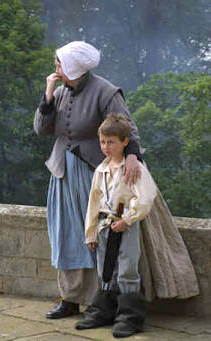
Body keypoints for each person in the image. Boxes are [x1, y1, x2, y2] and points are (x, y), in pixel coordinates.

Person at [33, 41, 143, 319]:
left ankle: (101, 301)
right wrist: (47, 95)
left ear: (73, 66)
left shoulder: (105, 91)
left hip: (95, 174)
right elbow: (41, 129)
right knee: (66, 235)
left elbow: (127, 127)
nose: (55, 69)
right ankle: (70, 298)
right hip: (62, 173)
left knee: (98, 236)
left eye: (59, 64)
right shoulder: (58, 93)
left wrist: (132, 156)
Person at [75, 113, 157, 338]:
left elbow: (147, 197)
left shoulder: (133, 168)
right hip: (104, 227)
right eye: (103, 142)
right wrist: (91, 234)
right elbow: (94, 203)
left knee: (127, 269)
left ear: (124, 142)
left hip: (125, 226)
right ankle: (104, 310)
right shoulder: (100, 170)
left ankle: (129, 317)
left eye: (111, 142)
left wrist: (127, 219)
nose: (106, 147)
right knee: (105, 269)